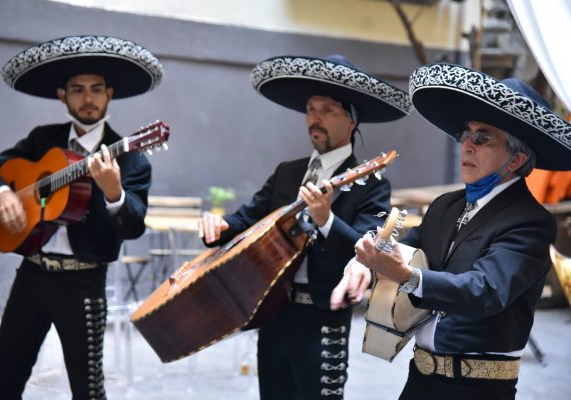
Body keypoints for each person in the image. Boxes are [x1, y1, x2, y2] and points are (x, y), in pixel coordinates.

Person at [331, 63, 571, 400]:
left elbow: (486, 290)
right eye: (466, 134)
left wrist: (407, 276)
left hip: (478, 389)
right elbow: (407, 248)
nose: (467, 145)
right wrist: (366, 261)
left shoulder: (531, 221)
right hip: (419, 379)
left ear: (516, 159)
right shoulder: (446, 205)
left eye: (482, 138)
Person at [198, 54, 411, 400]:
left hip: (322, 316)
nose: (315, 118)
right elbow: (245, 220)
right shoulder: (287, 172)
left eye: (328, 110)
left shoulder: (371, 183)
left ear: (352, 120)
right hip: (273, 310)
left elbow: (367, 247)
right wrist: (218, 224)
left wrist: (327, 218)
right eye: (311, 109)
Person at [0, 35, 163, 399]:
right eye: (77, 90)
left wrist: (113, 193)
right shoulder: (43, 139)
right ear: (63, 96)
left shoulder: (131, 158)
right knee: (2, 381)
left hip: (83, 284)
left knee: (88, 390)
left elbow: (134, 225)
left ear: (109, 94)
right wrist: (2, 194)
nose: (87, 98)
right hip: (31, 273)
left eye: (95, 89)